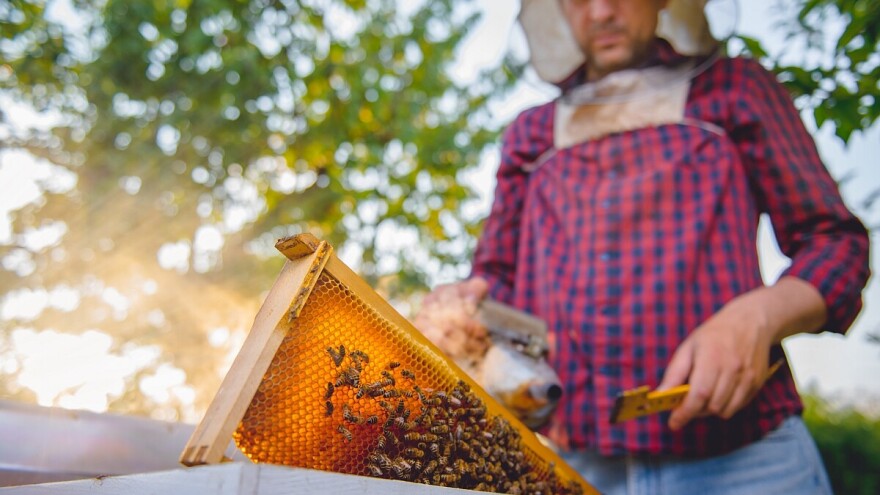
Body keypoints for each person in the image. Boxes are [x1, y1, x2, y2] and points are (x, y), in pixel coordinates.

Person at [414, 0, 871, 493]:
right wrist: (461, 312)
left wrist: (757, 317)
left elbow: (834, 243)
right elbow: (496, 280)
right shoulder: (532, 132)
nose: (601, 13)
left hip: (744, 459)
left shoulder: (734, 88)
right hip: (573, 461)